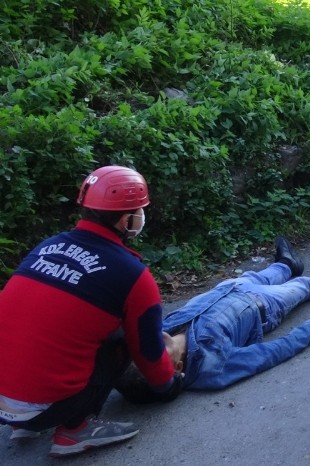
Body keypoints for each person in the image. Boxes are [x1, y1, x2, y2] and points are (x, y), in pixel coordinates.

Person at [0, 166, 183, 457]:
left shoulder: (48, 246)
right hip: (47, 407)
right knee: (124, 336)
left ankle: (24, 418)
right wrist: (166, 387)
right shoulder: (131, 273)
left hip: (3, 402)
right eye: (139, 210)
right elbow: (147, 351)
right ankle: (75, 429)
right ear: (127, 220)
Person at [113, 238, 310, 398]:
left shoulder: (160, 328)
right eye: (152, 357)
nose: (146, 348)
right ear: (177, 367)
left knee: (262, 274)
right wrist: (309, 331)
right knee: (305, 286)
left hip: (230, 288)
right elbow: (265, 356)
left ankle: (287, 264)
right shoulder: (211, 367)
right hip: (265, 305)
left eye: (140, 354)